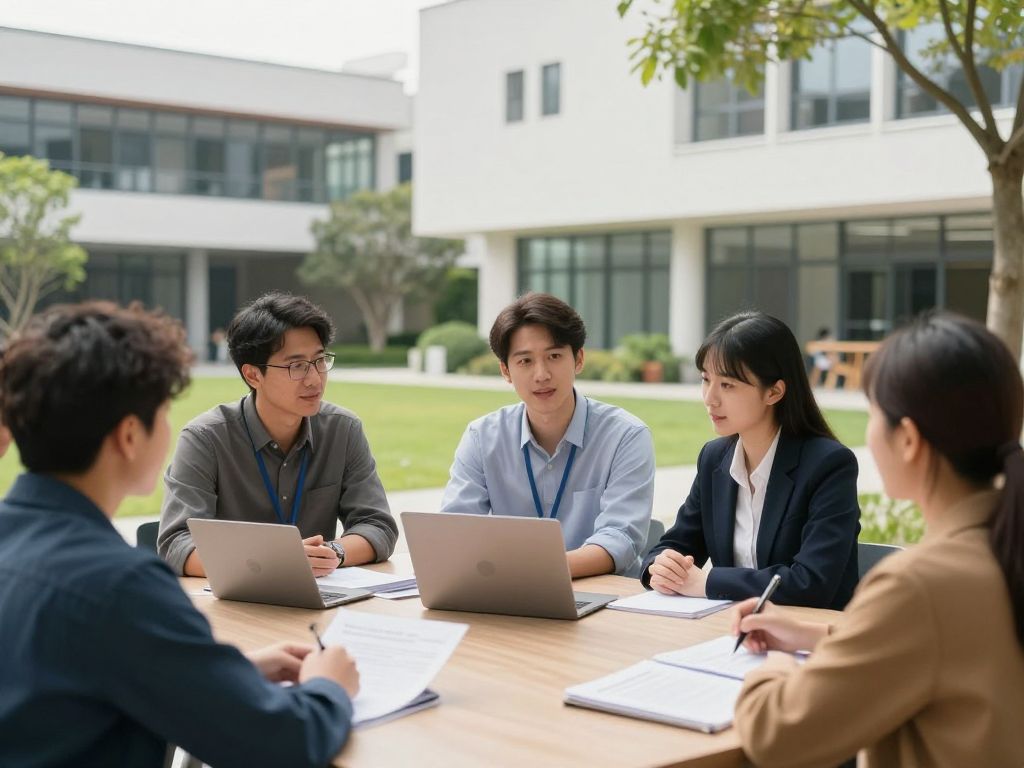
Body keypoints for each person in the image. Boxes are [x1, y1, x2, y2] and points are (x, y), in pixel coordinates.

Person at [0, 302, 360, 767]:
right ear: (130, 436)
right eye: (163, 412)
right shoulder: (121, 587)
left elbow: (63, 679)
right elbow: (280, 741)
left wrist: (222, 672)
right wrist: (329, 686)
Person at [731, 311, 1024, 767]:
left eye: (872, 413)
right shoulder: (1000, 548)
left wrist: (775, 670)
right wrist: (813, 634)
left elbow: (776, 735)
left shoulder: (921, 584)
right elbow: (945, 645)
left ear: (907, 439)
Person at [159, 292, 398, 577]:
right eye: (296, 366)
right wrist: (273, 563)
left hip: (318, 599)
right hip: (237, 601)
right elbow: (177, 544)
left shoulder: (343, 430)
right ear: (252, 375)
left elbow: (377, 526)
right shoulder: (205, 439)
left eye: (320, 360)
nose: (314, 379)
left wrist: (332, 553)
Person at [641, 311, 860, 609]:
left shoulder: (829, 465)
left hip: (807, 636)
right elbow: (675, 544)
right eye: (706, 380)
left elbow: (811, 583)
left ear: (774, 391)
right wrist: (661, 566)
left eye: (728, 385)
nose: (710, 398)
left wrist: (706, 582)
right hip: (729, 631)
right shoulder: (714, 458)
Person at [440, 292, 655, 578]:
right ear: (506, 371)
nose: (541, 375)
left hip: (603, 597)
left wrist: (536, 571)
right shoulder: (482, 437)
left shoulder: (626, 436)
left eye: (554, 356)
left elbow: (621, 539)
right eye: (525, 361)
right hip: (511, 592)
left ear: (578, 359)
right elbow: (457, 530)